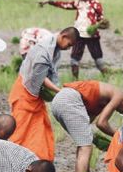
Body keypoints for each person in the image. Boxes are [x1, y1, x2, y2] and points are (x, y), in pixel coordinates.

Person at [8, 27, 79, 160]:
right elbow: (40, 78)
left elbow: (50, 75)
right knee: (20, 131)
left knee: (41, 128)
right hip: (25, 94)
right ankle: (11, 160)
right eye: (69, 45)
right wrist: (59, 92)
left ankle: (38, 160)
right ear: (63, 36)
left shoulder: (54, 48)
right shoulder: (44, 51)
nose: (68, 48)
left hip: (35, 96)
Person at [51, 82, 123, 172]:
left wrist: (95, 138)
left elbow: (88, 122)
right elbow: (101, 124)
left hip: (58, 102)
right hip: (69, 100)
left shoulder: (101, 101)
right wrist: (122, 135)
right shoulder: (118, 95)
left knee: (84, 141)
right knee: (85, 146)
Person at [39, 0, 107, 78]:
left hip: (92, 35)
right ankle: (76, 80)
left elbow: (101, 19)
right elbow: (65, 5)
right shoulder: (77, 3)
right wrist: (50, 2)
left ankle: (107, 76)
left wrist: (100, 25)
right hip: (79, 35)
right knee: (74, 59)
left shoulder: (95, 4)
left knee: (98, 59)